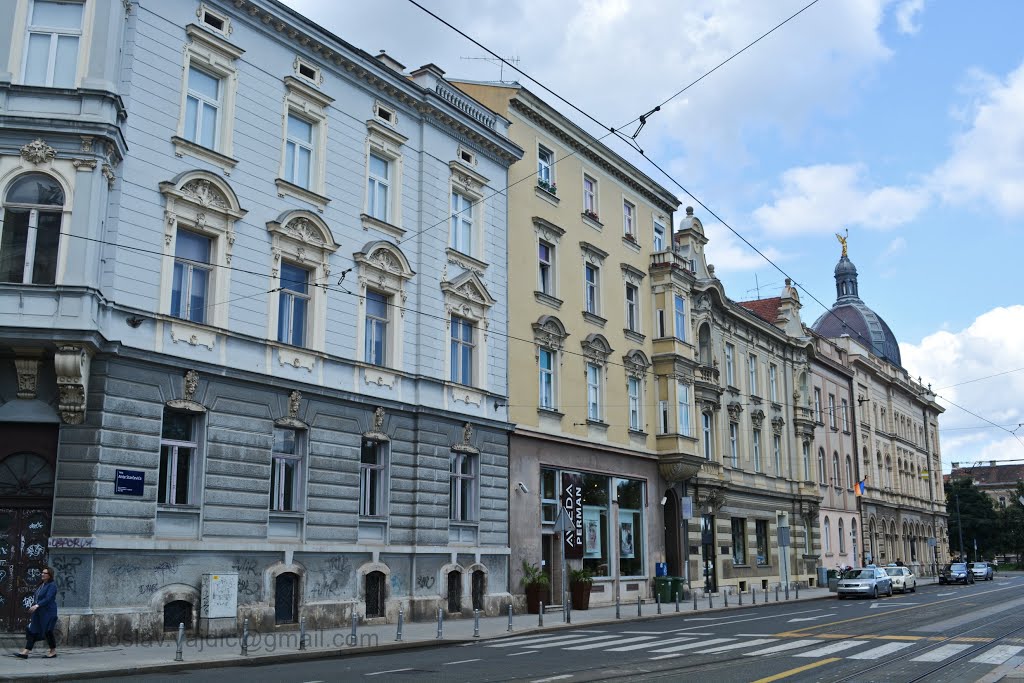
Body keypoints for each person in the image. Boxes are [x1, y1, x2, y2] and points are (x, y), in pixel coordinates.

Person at [15, 566, 58, 659]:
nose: (42, 574)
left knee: (48, 631)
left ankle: (53, 651)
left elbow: (48, 598)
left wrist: (37, 605)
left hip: (48, 612)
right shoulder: (42, 584)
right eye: (42, 572)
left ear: (49, 575)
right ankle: (26, 651)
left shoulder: (52, 585)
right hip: (39, 612)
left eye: (45, 573)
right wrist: (35, 605)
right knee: (32, 630)